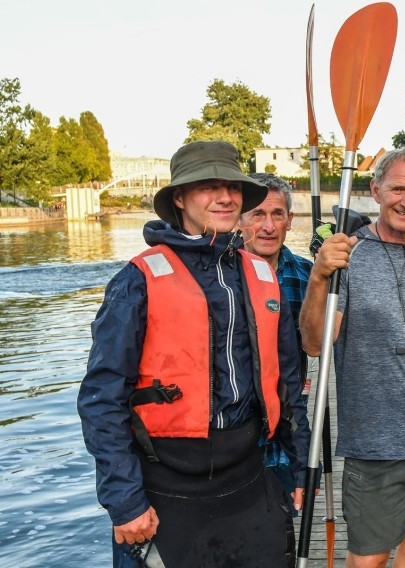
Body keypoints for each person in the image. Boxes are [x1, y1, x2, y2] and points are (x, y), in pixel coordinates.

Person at [78, 141, 305, 568]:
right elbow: (101, 399)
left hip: (248, 483)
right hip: (167, 492)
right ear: (180, 197)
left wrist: (300, 466)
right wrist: (124, 500)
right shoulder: (137, 281)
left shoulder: (261, 276)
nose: (225, 197)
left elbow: (288, 383)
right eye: (207, 186)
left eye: (233, 187)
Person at [300, 147, 405, 568]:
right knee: (369, 557)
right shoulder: (347, 257)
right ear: (375, 190)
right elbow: (315, 343)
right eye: (397, 188)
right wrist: (320, 276)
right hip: (376, 437)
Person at [241, 172, 313, 564]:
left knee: (280, 544)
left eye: (278, 214)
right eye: (257, 214)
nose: (268, 226)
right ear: (239, 219)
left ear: (290, 220)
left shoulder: (306, 276)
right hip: (233, 437)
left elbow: (318, 344)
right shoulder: (220, 274)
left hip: (285, 431)